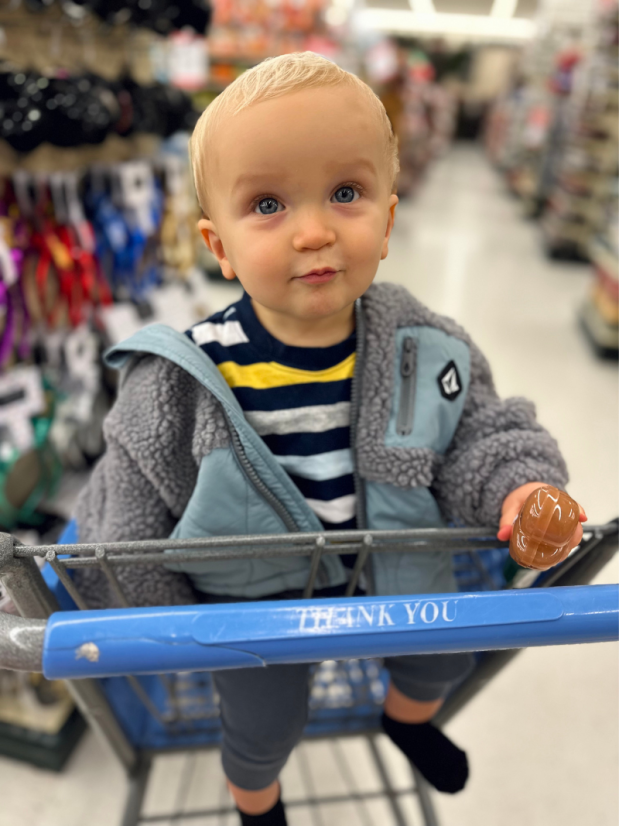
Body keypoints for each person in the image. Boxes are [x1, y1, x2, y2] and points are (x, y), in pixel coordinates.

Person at [73, 53, 586, 826]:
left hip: (395, 564)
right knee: (263, 723)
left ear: (386, 221)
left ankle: (406, 720)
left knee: (442, 656)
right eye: (268, 204)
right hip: (252, 602)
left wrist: (521, 486)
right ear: (218, 247)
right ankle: (257, 803)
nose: (314, 231)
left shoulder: (423, 345)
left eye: (345, 193)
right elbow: (131, 510)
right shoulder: (179, 380)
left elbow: (483, 428)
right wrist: (167, 623)